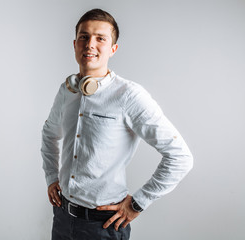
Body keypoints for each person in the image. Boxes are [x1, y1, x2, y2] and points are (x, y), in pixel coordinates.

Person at [41, 8, 193, 240]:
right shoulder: (67, 90)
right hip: (62, 218)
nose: (90, 44)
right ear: (75, 45)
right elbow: (50, 133)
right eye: (84, 37)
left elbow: (180, 156)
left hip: (102, 227)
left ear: (113, 48)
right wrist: (52, 176)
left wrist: (138, 203)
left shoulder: (129, 96)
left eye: (100, 38)